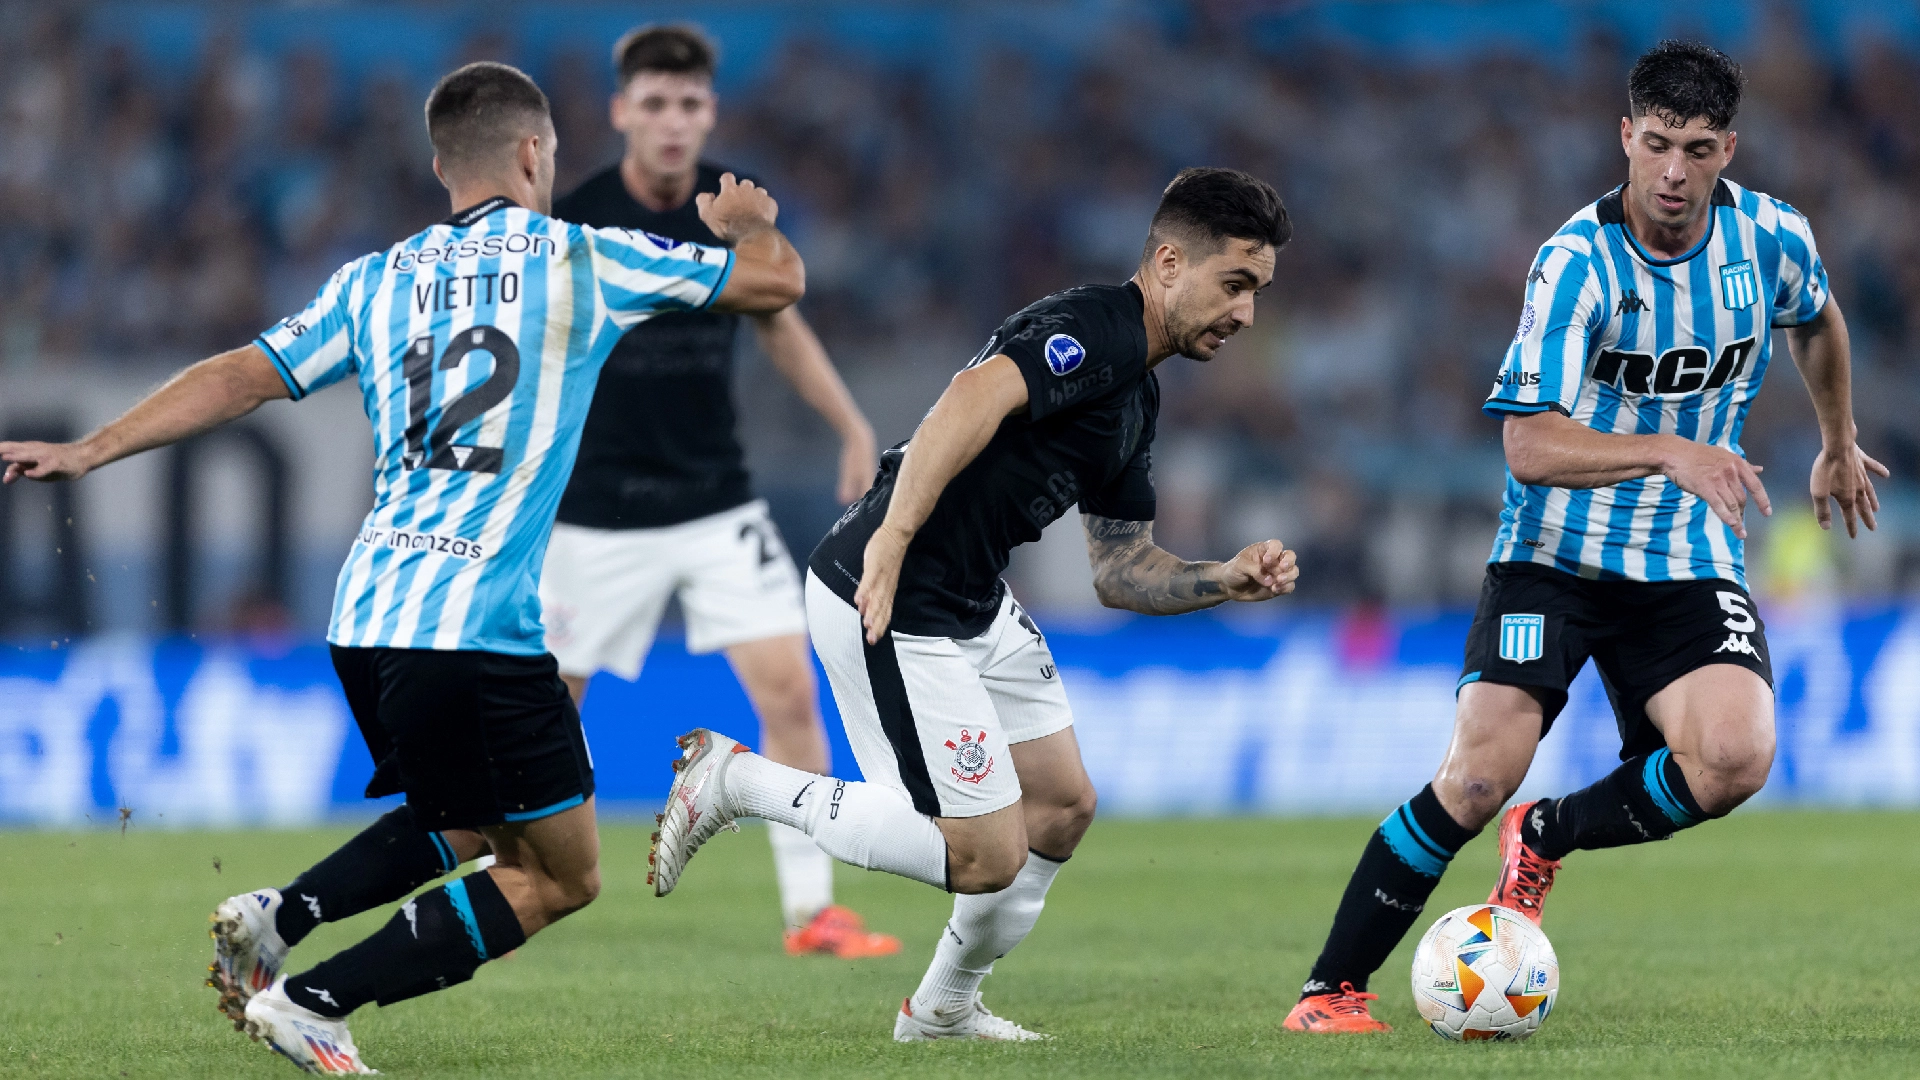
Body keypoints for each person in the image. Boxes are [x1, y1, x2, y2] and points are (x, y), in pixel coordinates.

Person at [0, 61, 804, 1074]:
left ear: (438, 166)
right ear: (532, 153)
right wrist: (747, 227)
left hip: (368, 612)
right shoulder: (585, 259)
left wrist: (88, 451)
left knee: (465, 820)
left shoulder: (372, 279)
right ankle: (313, 1002)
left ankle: (278, 917)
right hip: (473, 626)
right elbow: (778, 284)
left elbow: (240, 374)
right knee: (559, 877)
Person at [1283, 40, 1888, 1034]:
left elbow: (1816, 318)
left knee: (1736, 759)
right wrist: (1667, 451)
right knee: (1478, 772)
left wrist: (1837, 438)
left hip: (1687, 557)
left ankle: (1547, 835)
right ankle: (1328, 994)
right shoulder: (1575, 263)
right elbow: (1528, 444)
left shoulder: (1772, 238)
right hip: (1553, 557)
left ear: (1729, 147)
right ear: (1625, 136)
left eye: (1698, 148)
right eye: (1656, 144)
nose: (1674, 173)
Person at [650, 167, 1300, 1041]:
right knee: (983, 855)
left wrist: (1222, 578)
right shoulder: (1094, 327)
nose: (1246, 313)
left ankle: (944, 1008)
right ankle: (735, 780)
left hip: (970, 601)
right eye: (1235, 285)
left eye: (1256, 291)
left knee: (1064, 806)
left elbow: (1118, 569)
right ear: (1170, 261)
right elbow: (972, 396)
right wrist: (891, 537)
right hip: (890, 596)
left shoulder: (1136, 397)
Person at [538, 24, 893, 958]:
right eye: (652, 103)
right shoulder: (575, 219)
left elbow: (779, 323)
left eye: (688, 104)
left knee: (787, 690)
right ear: (621, 112)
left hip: (715, 503)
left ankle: (812, 913)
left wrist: (851, 425)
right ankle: (520, 879)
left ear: (709, 113)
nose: (671, 121)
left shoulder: (734, 211)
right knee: (543, 712)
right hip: (593, 516)